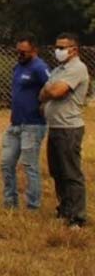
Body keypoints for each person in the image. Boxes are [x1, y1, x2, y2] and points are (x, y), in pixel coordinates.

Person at [40, 32, 90, 228]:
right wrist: (48, 90)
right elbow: (42, 94)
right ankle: (65, 209)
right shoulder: (59, 70)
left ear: (74, 49)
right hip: (55, 127)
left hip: (69, 128)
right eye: (56, 47)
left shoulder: (77, 68)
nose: (58, 51)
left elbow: (55, 91)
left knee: (71, 173)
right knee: (57, 171)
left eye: (62, 47)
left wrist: (49, 90)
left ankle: (77, 217)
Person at [0, 35, 49, 210]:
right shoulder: (17, 67)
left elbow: (50, 89)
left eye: (23, 52)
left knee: (30, 166)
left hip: (33, 125)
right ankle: (10, 203)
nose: (19, 54)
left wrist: (43, 107)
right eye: (17, 51)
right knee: (6, 163)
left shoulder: (39, 67)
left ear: (34, 51)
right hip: (15, 124)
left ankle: (33, 205)